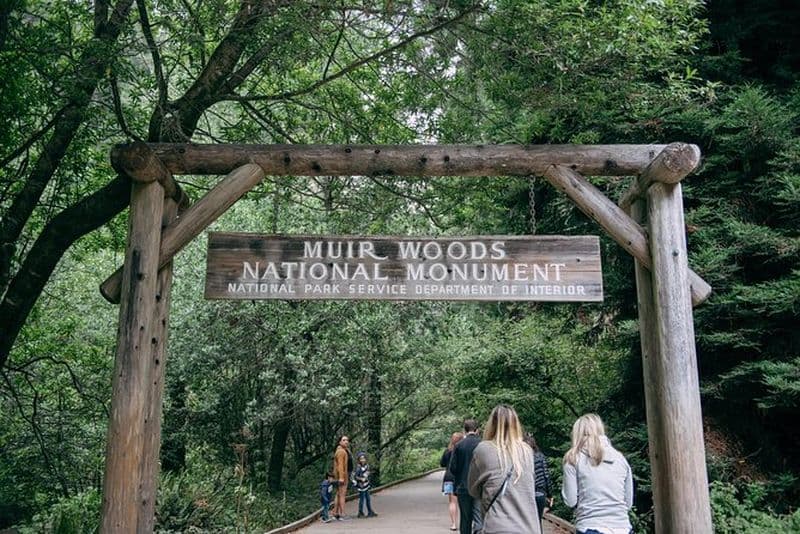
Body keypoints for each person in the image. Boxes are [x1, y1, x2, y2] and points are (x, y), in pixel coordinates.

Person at [468, 405, 541, 534]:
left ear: (491, 424)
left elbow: (473, 489)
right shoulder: (527, 451)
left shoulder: (483, 449)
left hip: (497, 526)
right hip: (529, 527)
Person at [562, 414, 633, 534]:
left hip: (590, 525)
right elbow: (628, 503)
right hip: (623, 527)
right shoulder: (620, 458)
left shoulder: (573, 458)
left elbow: (571, 501)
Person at [448, 418, 482, 534]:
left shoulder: (459, 446)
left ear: (465, 430)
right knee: (479, 518)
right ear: (477, 430)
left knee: (465, 519)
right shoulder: (483, 444)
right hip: (479, 487)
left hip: (463, 487)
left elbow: (452, 467)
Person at [524, 433, 553, 527]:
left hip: (526, 494)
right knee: (538, 523)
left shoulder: (521, 458)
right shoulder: (540, 456)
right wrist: (550, 494)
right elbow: (546, 476)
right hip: (540, 493)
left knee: (527, 524)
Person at [441, 431, 464, 531]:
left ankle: (454, 524)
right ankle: (465, 523)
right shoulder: (462, 450)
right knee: (463, 502)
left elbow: (442, 463)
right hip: (459, 478)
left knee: (452, 502)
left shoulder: (447, 451)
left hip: (448, 477)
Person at [332, 435, 354, 521]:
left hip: (344, 475)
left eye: (347, 440)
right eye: (344, 440)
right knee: (342, 495)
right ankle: (342, 514)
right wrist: (341, 477)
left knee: (338, 494)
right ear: (340, 442)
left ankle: (335, 513)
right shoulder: (341, 452)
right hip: (342, 476)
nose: (346, 442)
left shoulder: (344, 450)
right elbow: (340, 466)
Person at [353, 451, 378, 518]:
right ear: (359, 460)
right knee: (362, 499)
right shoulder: (358, 468)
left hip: (366, 484)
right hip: (361, 486)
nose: (362, 460)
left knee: (368, 499)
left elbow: (368, 473)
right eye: (361, 459)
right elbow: (355, 476)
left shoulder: (367, 466)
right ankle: (360, 512)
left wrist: (368, 475)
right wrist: (361, 479)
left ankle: (370, 511)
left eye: (364, 458)